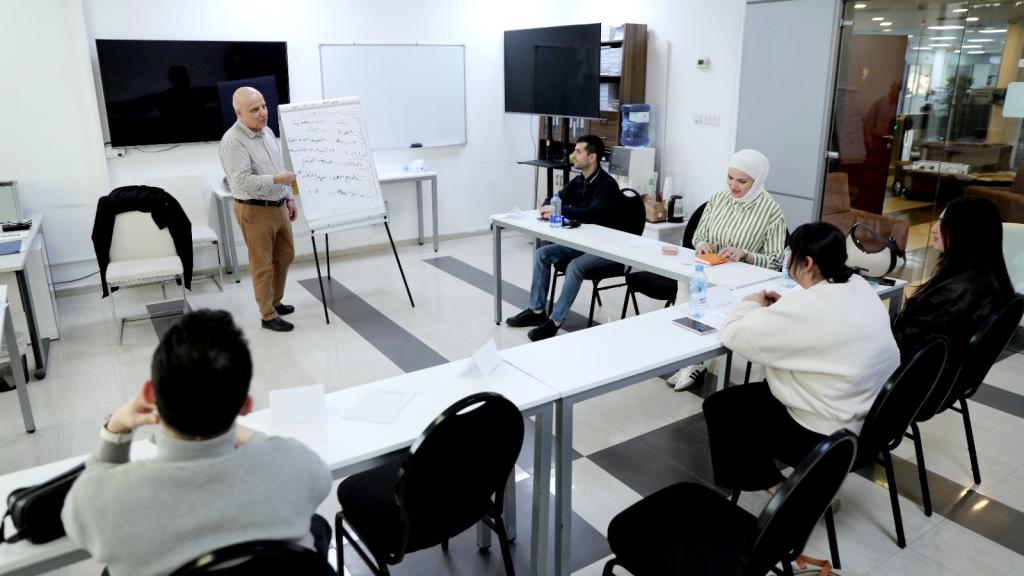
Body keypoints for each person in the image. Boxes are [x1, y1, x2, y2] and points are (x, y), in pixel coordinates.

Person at [62, 310, 333, 576]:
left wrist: (116, 429)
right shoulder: (297, 465)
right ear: (246, 406)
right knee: (316, 525)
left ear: (149, 394)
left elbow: (81, 508)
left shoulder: (99, 499)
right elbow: (317, 479)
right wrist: (231, 426)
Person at [702, 222, 899, 492]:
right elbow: (819, 322)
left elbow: (734, 334)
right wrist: (784, 308)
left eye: (790, 255)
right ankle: (785, 488)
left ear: (806, 263)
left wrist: (750, 303)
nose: (788, 261)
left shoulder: (807, 306)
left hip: (826, 435)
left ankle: (781, 493)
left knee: (722, 408)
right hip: (873, 424)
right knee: (754, 396)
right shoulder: (859, 284)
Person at [670, 148, 787, 390]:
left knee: (707, 305)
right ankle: (690, 359)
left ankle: (695, 361)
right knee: (685, 285)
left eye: (742, 181)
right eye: (730, 178)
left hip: (742, 282)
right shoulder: (719, 199)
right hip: (711, 270)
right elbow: (699, 235)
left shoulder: (771, 210)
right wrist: (702, 245)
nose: (733, 186)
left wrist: (745, 254)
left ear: (757, 180)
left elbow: (776, 259)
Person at [506, 135, 623, 341]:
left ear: (592, 157)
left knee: (575, 266)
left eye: (578, 151)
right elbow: (556, 198)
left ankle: (555, 321)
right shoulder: (579, 180)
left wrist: (560, 210)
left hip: (606, 249)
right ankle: (536, 311)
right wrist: (550, 205)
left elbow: (591, 215)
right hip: (582, 242)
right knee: (542, 253)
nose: (573, 155)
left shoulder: (608, 185)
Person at [892, 196, 1015, 389]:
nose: (933, 229)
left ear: (965, 232)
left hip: (914, 383)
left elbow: (906, 344)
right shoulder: (989, 281)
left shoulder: (952, 295)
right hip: (945, 381)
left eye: (943, 224)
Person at [219, 86, 298, 332]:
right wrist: (277, 180)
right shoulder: (233, 141)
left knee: (285, 255)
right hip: (255, 210)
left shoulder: (267, 132)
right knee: (262, 264)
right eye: (254, 110)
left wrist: (289, 196)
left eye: (263, 106)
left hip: (279, 205)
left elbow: (278, 166)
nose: (263, 113)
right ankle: (267, 315)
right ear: (239, 113)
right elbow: (241, 183)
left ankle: (275, 302)